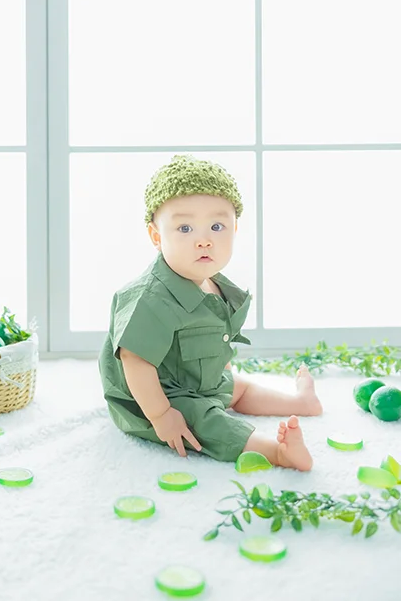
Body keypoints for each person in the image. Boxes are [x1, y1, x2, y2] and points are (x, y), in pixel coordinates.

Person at [98, 154, 323, 470]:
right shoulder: (148, 299)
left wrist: (220, 366)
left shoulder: (212, 283)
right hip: (155, 395)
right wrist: (161, 415)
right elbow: (136, 362)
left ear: (235, 229)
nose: (204, 241)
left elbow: (212, 335)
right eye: (185, 228)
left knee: (237, 386)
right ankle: (277, 452)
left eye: (217, 226)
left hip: (198, 380)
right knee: (204, 420)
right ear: (157, 237)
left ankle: (300, 402)